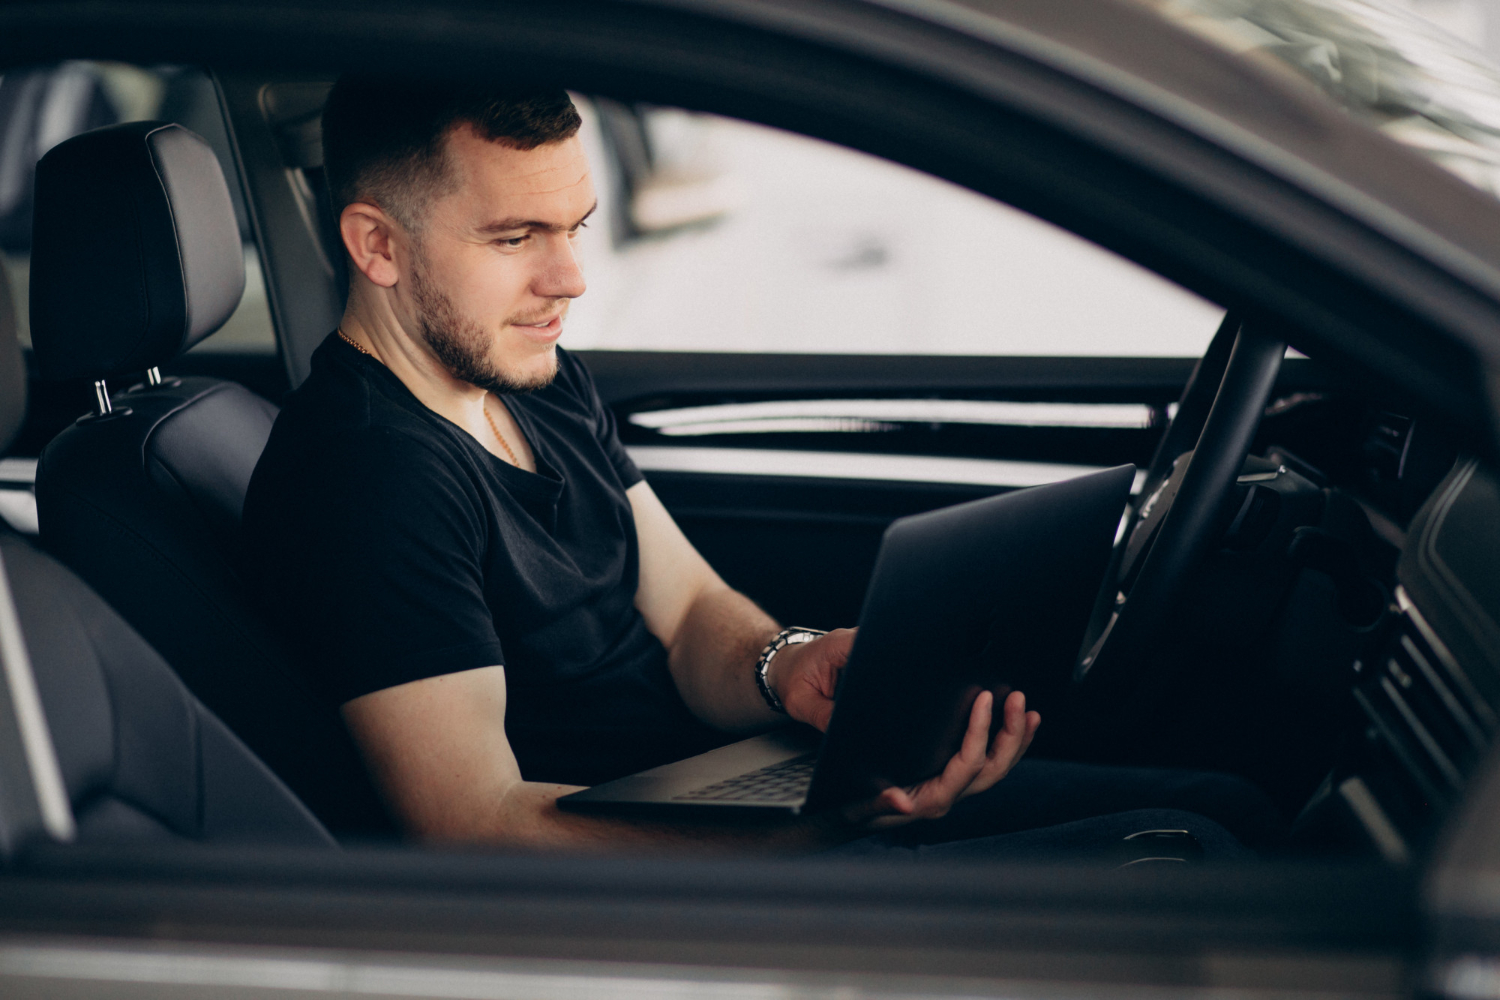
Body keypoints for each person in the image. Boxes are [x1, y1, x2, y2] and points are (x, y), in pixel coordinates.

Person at [242, 77, 1275, 857]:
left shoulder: (534, 377)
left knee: (1227, 804)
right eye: (517, 237)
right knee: (1191, 856)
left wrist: (791, 667)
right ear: (377, 246)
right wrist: (803, 837)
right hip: (668, 892)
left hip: (721, 804)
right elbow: (475, 821)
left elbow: (689, 611)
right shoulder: (366, 475)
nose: (570, 278)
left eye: (575, 229)